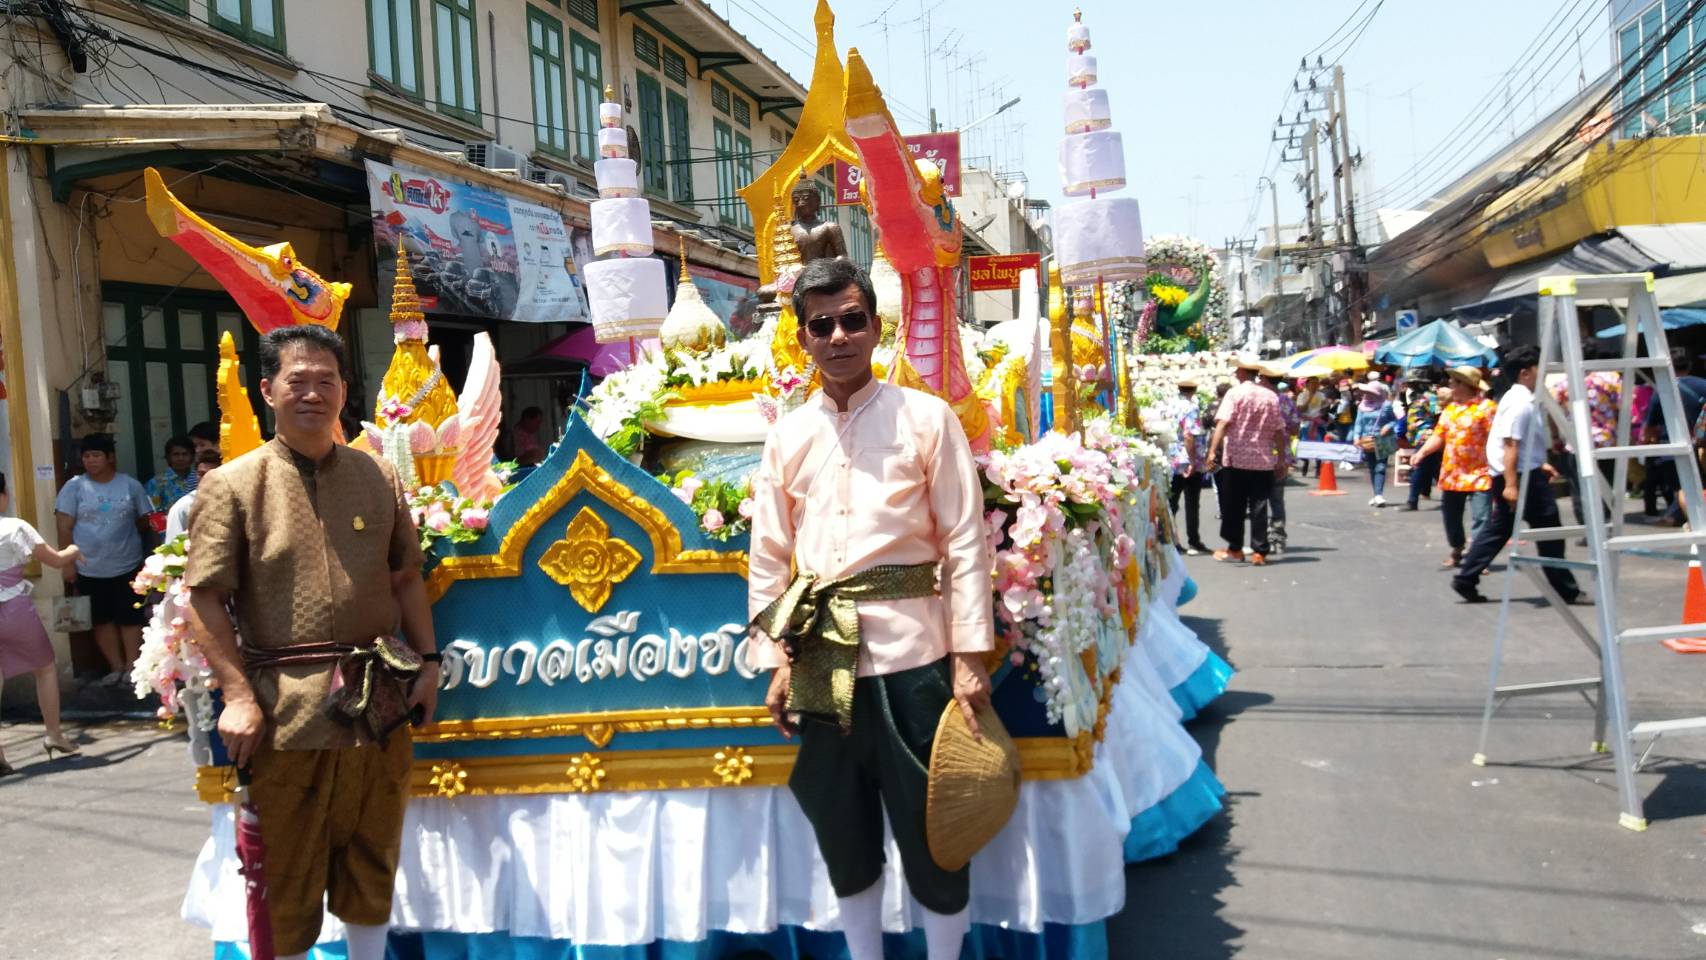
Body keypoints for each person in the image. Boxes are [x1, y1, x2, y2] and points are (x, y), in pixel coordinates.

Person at [746, 258, 993, 960]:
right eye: (821, 325)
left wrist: (970, 657)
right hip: (824, 658)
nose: (839, 336)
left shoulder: (926, 418)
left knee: (934, 829)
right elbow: (768, 560)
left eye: (852, 319)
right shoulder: (788, 435)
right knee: (842, 827)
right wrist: (777, 660)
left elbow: (966, 541)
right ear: (803, 340)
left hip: (916, 656)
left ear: (876, 326)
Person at [184, 325, 438, 960]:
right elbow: (204, 596)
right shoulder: (233, 485)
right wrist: (237, 696)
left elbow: (406, 576)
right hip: (284, 710)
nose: (313, 393)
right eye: (298, 380)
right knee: (288, 873)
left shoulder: (377, 474)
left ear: (344, 391)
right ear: (267, 390)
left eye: (326, 380)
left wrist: (429, 663)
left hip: (378, 697)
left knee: (373, 852)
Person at [1453, 346, 1583, 604]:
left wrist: (1537, 464)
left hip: (1521, 473)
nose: (1542, 374)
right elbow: (1510, 443)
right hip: (1520, 478)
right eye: (1538, 369)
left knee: (1500, 529)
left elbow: (1517, 445)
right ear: (1525, 373)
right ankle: (1566, 589)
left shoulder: (1517, 398)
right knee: (1548, 531)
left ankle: (1466, 577)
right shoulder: (1521, 402)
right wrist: (1512, 484)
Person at [0, 472, 85, 773]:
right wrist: (73, 551)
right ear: (4, 494)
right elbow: (57, 560)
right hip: (13, 607)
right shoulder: (14, 527)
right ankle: (54, 734)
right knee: (45, 668)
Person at [54, 433, 154, 684]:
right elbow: (64, 526)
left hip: (128, 564)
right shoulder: (74, 487)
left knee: (130, 617)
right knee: (101, 619)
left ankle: (132, 668)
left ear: (110, 458)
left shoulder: (130, 485)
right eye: (87, 456)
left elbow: (145, 521)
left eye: (97, 455)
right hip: (89, 567)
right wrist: (68, 565)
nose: (91, 461)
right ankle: (116, 667)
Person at [1206, 359, 1288, 566]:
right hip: (1263, 460)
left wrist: (1212, 451)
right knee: (1260, 505)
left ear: (1242, 372)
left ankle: (1235, 548)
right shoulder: (1270, 396)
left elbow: (1223, 423)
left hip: (1237, 458)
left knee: (1234, 505)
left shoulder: (1234, 394)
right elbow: (1279, 430)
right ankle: (1259, 551)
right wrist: (1281, 457)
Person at [1414, 367, 1496, 568]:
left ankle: (1477, 559)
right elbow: (1438, 436)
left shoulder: (1487, 408)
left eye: (1455, 382)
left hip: (1480, 472)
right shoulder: (1449, 410)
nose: (1450, 385)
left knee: (1482, 518)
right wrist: (1422, 452)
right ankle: (1457, 548)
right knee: (1451, 517)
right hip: (1453, 472)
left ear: (1466, 386)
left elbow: (1498, 438)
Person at [1164, 379, 1210, 554]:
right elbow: (1189, 435)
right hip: (1188, 459)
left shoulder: (1170, 406)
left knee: (1172, 502)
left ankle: (1170, 539)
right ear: (1194, 389)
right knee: (1192, 502)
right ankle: (1194, 539)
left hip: (1173, 457)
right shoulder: (1191, 407)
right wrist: (1192, 460)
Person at [1260, 367, 1301, 553]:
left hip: (1259, 455)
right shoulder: (1286, 401)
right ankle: (1277, 538)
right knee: (1277, 499)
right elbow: (1295, 429)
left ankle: (1260, 540)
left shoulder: (1259, 400)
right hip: (1281, 455)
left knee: (1258, 499)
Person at [1351, 372, 1400, 507]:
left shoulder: (1386, 406)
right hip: (1367, 440)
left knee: (1380, 467)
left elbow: (1394, 421)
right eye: (1366, 392)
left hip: (1382, 439)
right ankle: (1376, 493)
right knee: (1372, 467)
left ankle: (1379, 495)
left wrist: (1388, 426)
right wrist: (1356, 438)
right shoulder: (1362, 406)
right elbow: (1358, 423)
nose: (1367, 394)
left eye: (1370, 392)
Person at [164, 448, 223, 541]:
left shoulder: (232, 502)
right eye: (201, 474)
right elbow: (172, 548)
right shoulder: (183, 507)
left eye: (211, 474)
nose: (206, 478)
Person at [1401, 379, 1442, 512]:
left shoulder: (1430, 397)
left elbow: (1438, 414)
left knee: (1418, 467)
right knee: (1434, 468)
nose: (1410, 386)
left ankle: (1412, 500)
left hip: (1427, 436)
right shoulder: (1413, 397)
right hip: (1417, 436)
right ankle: (1449, 497)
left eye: (1413, 383)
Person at [145, 435, 197, 513]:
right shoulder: (157, 483)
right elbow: (153, 512)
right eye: (176, 454)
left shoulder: (200, 478)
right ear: (168, 457)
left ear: (192, 457)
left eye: (185, 454)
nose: (181, 458)